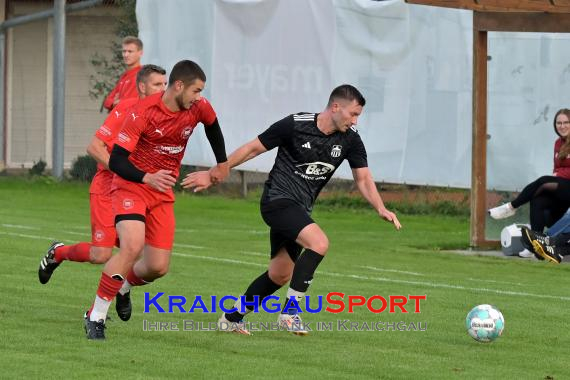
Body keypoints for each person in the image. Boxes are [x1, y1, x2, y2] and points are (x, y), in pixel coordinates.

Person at [183, 84, 402, 336]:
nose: (355, 121)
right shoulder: (296, 124)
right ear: (335, 107)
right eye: (353, 114)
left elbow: (363, 178)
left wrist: (380, 207)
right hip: (277, 201)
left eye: (358, 116)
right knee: (319, 243)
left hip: (300, 210)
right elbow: (252, 148)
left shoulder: (350, 139)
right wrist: (215, 172)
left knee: (279, 275)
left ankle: (232, 318)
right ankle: (290, 313)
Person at [83, 60, 229, 340]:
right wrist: (146, 177)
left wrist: (221, 164)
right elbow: (116, 159)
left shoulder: (199, 107)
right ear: (179, 86)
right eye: (195, 90)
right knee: (132, 247)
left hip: (162, 191)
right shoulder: (143, 112)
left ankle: (123, 285)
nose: (199, 97)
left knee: (157, 267)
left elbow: (213, 126)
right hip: (131, 185)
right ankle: (96, 315)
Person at [38, 65, 167, 298]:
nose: (163, 89)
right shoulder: (127, 108)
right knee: (101, 254)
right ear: (142, 87)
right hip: (108, 186)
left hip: (137, 189)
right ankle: (58, 253)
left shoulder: (163, 114)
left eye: (165, 84)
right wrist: (123, 170)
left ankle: (120, 291)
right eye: (157, 85)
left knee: (138, 250)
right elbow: (94, 147)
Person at [489, 108, 570, 232]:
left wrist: (558, 175)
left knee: (544, 181)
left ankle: (511, 207)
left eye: (566, 123)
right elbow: (557, 168)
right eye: (559, 123)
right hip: (563, 187)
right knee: (537, 201)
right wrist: (558, 174)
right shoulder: (558, 143)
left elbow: (560, 172)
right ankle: (535, 243)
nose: (562, 126)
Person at [102, 36, 144, 112]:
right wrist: (114, 103)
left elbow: (131, 104)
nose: (126, 55)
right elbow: (107, 102)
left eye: (130, 51)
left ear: (140, 53)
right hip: (120, 120)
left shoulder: (143, 75)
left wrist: (118, 102)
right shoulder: (124, 76)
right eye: (124, 51)